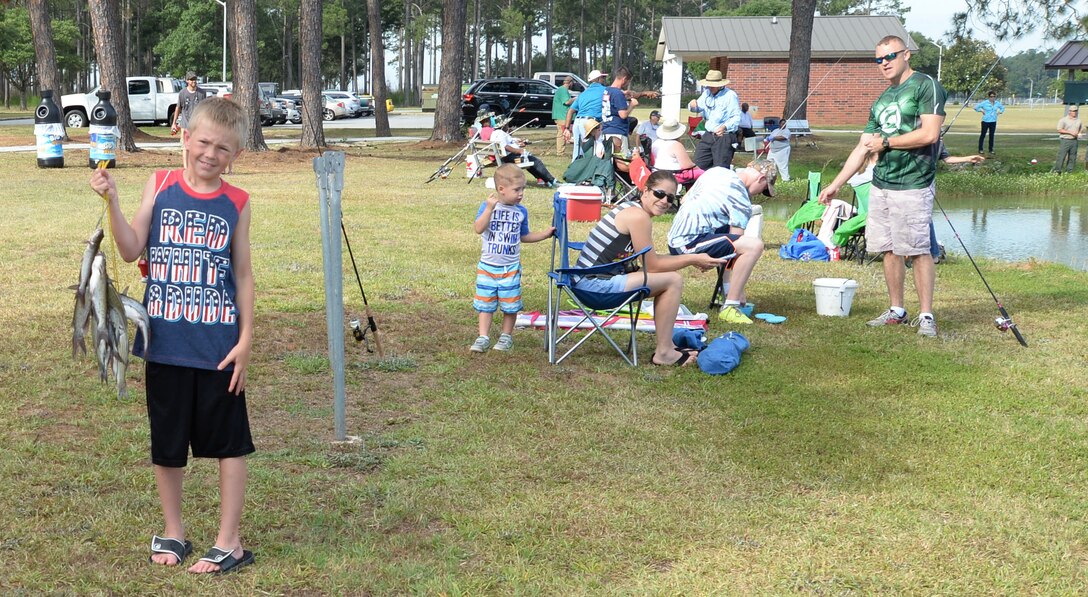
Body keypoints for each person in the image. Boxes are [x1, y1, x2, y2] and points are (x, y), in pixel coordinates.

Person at [89, 96, 256, 573]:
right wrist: (112, 202)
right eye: (203, 141)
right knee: (166, 443)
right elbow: (128, 249)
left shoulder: (238, 202)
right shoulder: (159, 185)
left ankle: (230, 541)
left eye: (223, 148)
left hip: (218, 349)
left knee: (229, 443)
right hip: (164, 344)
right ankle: (175, 531)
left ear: (236, 154)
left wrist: (245, 341)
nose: (210, 153)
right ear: (184, 137)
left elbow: (242, 275)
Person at [818, 35, 946, 338]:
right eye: (879, 59)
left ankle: (926, 314)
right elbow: (863, 146)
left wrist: (886, 142)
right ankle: (896, 309)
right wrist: (836, 184)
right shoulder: (882, 100)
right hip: (882, 183)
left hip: (914, 183)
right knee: (888, 248)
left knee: (917, 249)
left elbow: (930, 134)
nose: (884, 63)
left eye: (890, 56)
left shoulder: (925, 86)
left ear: (907, 55)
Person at [574, 170, 726, 366]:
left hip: (589, 281)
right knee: (673, 281)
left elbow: (647, 263)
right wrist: (693, 258)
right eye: (659, 194)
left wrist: (692, 258)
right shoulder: (637, 216)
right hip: (592, 286)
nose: (664, 201)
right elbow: (652, 265)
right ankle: (664, 353)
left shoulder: (632, 209)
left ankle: (667, 347)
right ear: (645, 191)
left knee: (668, 277)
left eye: (670, 198)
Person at [666, 160, 773, 324]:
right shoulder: (741, 197)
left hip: (675, 238)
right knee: (752, 246)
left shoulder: (716, 171)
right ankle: (731, 305)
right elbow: (736, 249)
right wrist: (739, 290)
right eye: (764, 189)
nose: (759, 193)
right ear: (761, 179)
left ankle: (727, 295)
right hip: (689, 242)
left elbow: (684, 199)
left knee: (726, 235)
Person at [470, 164, 555, 353]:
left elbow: (523, 236)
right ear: (501, 189)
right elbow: (478, 228)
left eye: (522, 189)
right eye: (517, 189)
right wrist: (489, 209)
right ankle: (483, 336)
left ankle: (506, 336)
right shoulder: (488, 206)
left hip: (510, 268)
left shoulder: (521, 212)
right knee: (486, 304)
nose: (521, 193)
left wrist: (544, 234)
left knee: (510, 305)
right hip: (488, 266)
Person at [687, 69, 741, 170]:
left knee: (720, 169)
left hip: (724, 136)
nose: (709, 87)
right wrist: (692, 104)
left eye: (711, 85)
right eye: (708, 84)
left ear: (720, 85)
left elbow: (736, 117)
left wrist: (724, 127)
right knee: (698, 165)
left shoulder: (730, 95)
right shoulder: (706, 93)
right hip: (708, 134)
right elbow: (697, 107)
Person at [490, 120, 558, 187]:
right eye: (507, 124)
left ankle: (546, 180)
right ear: (504, 125)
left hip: (503, 157)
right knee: (536, 162)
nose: (508, 126)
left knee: (531, 162)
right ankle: (552, 180)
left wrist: (518, 143)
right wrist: (519, 151)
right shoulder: (501, 133)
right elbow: (505, 146)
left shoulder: (495, 133)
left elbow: (508, 143)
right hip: (508, 158)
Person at [562, 69, 608, 162]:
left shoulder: (583, 93)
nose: (604, 80)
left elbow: (571, 110)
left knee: (577, 150)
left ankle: (574, 171)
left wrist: (567, 128)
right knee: (590, 150)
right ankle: (588, 171)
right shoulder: (605, 90)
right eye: (602, 78)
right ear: (598, 79)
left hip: (578, 122)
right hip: (590, 123)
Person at [650, 118, 704, 186]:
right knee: (704, 174)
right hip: (673, 175)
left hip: (656, 172)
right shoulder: (676, 145)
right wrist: (698, 168)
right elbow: (687, 165)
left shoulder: (655, 143)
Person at [171, 72, 207, 168]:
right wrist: (174, 123)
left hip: (198, 125)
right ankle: (186, 168)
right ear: (187, 81)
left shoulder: (202, 93)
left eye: (195, 79)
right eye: (191, 79)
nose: (194, 81)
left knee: (198, 147)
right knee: (185, 147)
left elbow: (205, 108)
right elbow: (178, 108)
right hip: (185, 124)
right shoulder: (182, 93)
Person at [1053, 105, 1083, 174]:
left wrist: (1079, 133)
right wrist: (1070, 132)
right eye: (1073, 111)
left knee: (1073, 157)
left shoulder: (1079, 121)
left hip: (1074, 141)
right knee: (1062, 156)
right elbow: (1059, 129)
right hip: (1065, 140)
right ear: (1069, 112)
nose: (1074, 112)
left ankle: (1070, 171)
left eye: (1076, 111)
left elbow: (1080, 129)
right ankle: (1057, 171)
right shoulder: (1063, 120)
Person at [551, 76, 574, 157]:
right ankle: (560, 152)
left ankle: (561, 151)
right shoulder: (563, 90)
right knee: (561, 134)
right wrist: (575, 99)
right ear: (570, 82)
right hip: (562, 116)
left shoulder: (561, 89)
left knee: (562, 133)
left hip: (562, 115)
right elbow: (567, 102)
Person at [764, 115, 791, 181]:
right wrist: (768, 139)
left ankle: (785, 179)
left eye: (784, 124)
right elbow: (770, 137)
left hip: (782, 150)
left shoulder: (787, 131)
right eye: (782, 123)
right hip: (772, 150)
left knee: (782, 165)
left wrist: (774, 137)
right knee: (769, 163)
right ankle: (769, 177)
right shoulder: (775, 130)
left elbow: (783, 137)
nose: (783, 125)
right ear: (779, 124)